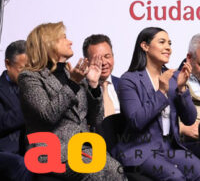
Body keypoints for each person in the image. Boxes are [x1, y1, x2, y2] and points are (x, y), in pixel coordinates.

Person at [18, 22, 124, 180]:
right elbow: (48, 116)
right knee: (95, 173)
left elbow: (96, 119)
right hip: (49, 151)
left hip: (84, 148)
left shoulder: (73, 74)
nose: (70, 42)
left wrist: (94, 86)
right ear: (49, 43)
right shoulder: (30, 77)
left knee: (117, 171)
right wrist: (73, 84)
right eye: (64, 38)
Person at [115, 27, 200, 181]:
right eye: (162, 42)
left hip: (169, 148)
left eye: (169, 43)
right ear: (145, 46)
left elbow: (189, 119)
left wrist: (182, 89)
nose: (168, 48)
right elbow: (136, 122)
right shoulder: (129, 80)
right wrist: (161, 92)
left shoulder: (174, 77)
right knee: (176, 178)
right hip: (141, 150)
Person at [0, 40, 31, 181]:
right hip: (5, 153)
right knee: (22, 165)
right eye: (23, 69)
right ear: (8, 64)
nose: (27, 75)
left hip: (33, 150)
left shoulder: (34, 87)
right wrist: (28, 109)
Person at [82, 34, 119, 117]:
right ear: (87, 61)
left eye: (107, 56)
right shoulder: (79, 88)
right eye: (97, 59)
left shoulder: (126, 84)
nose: (104, 63)